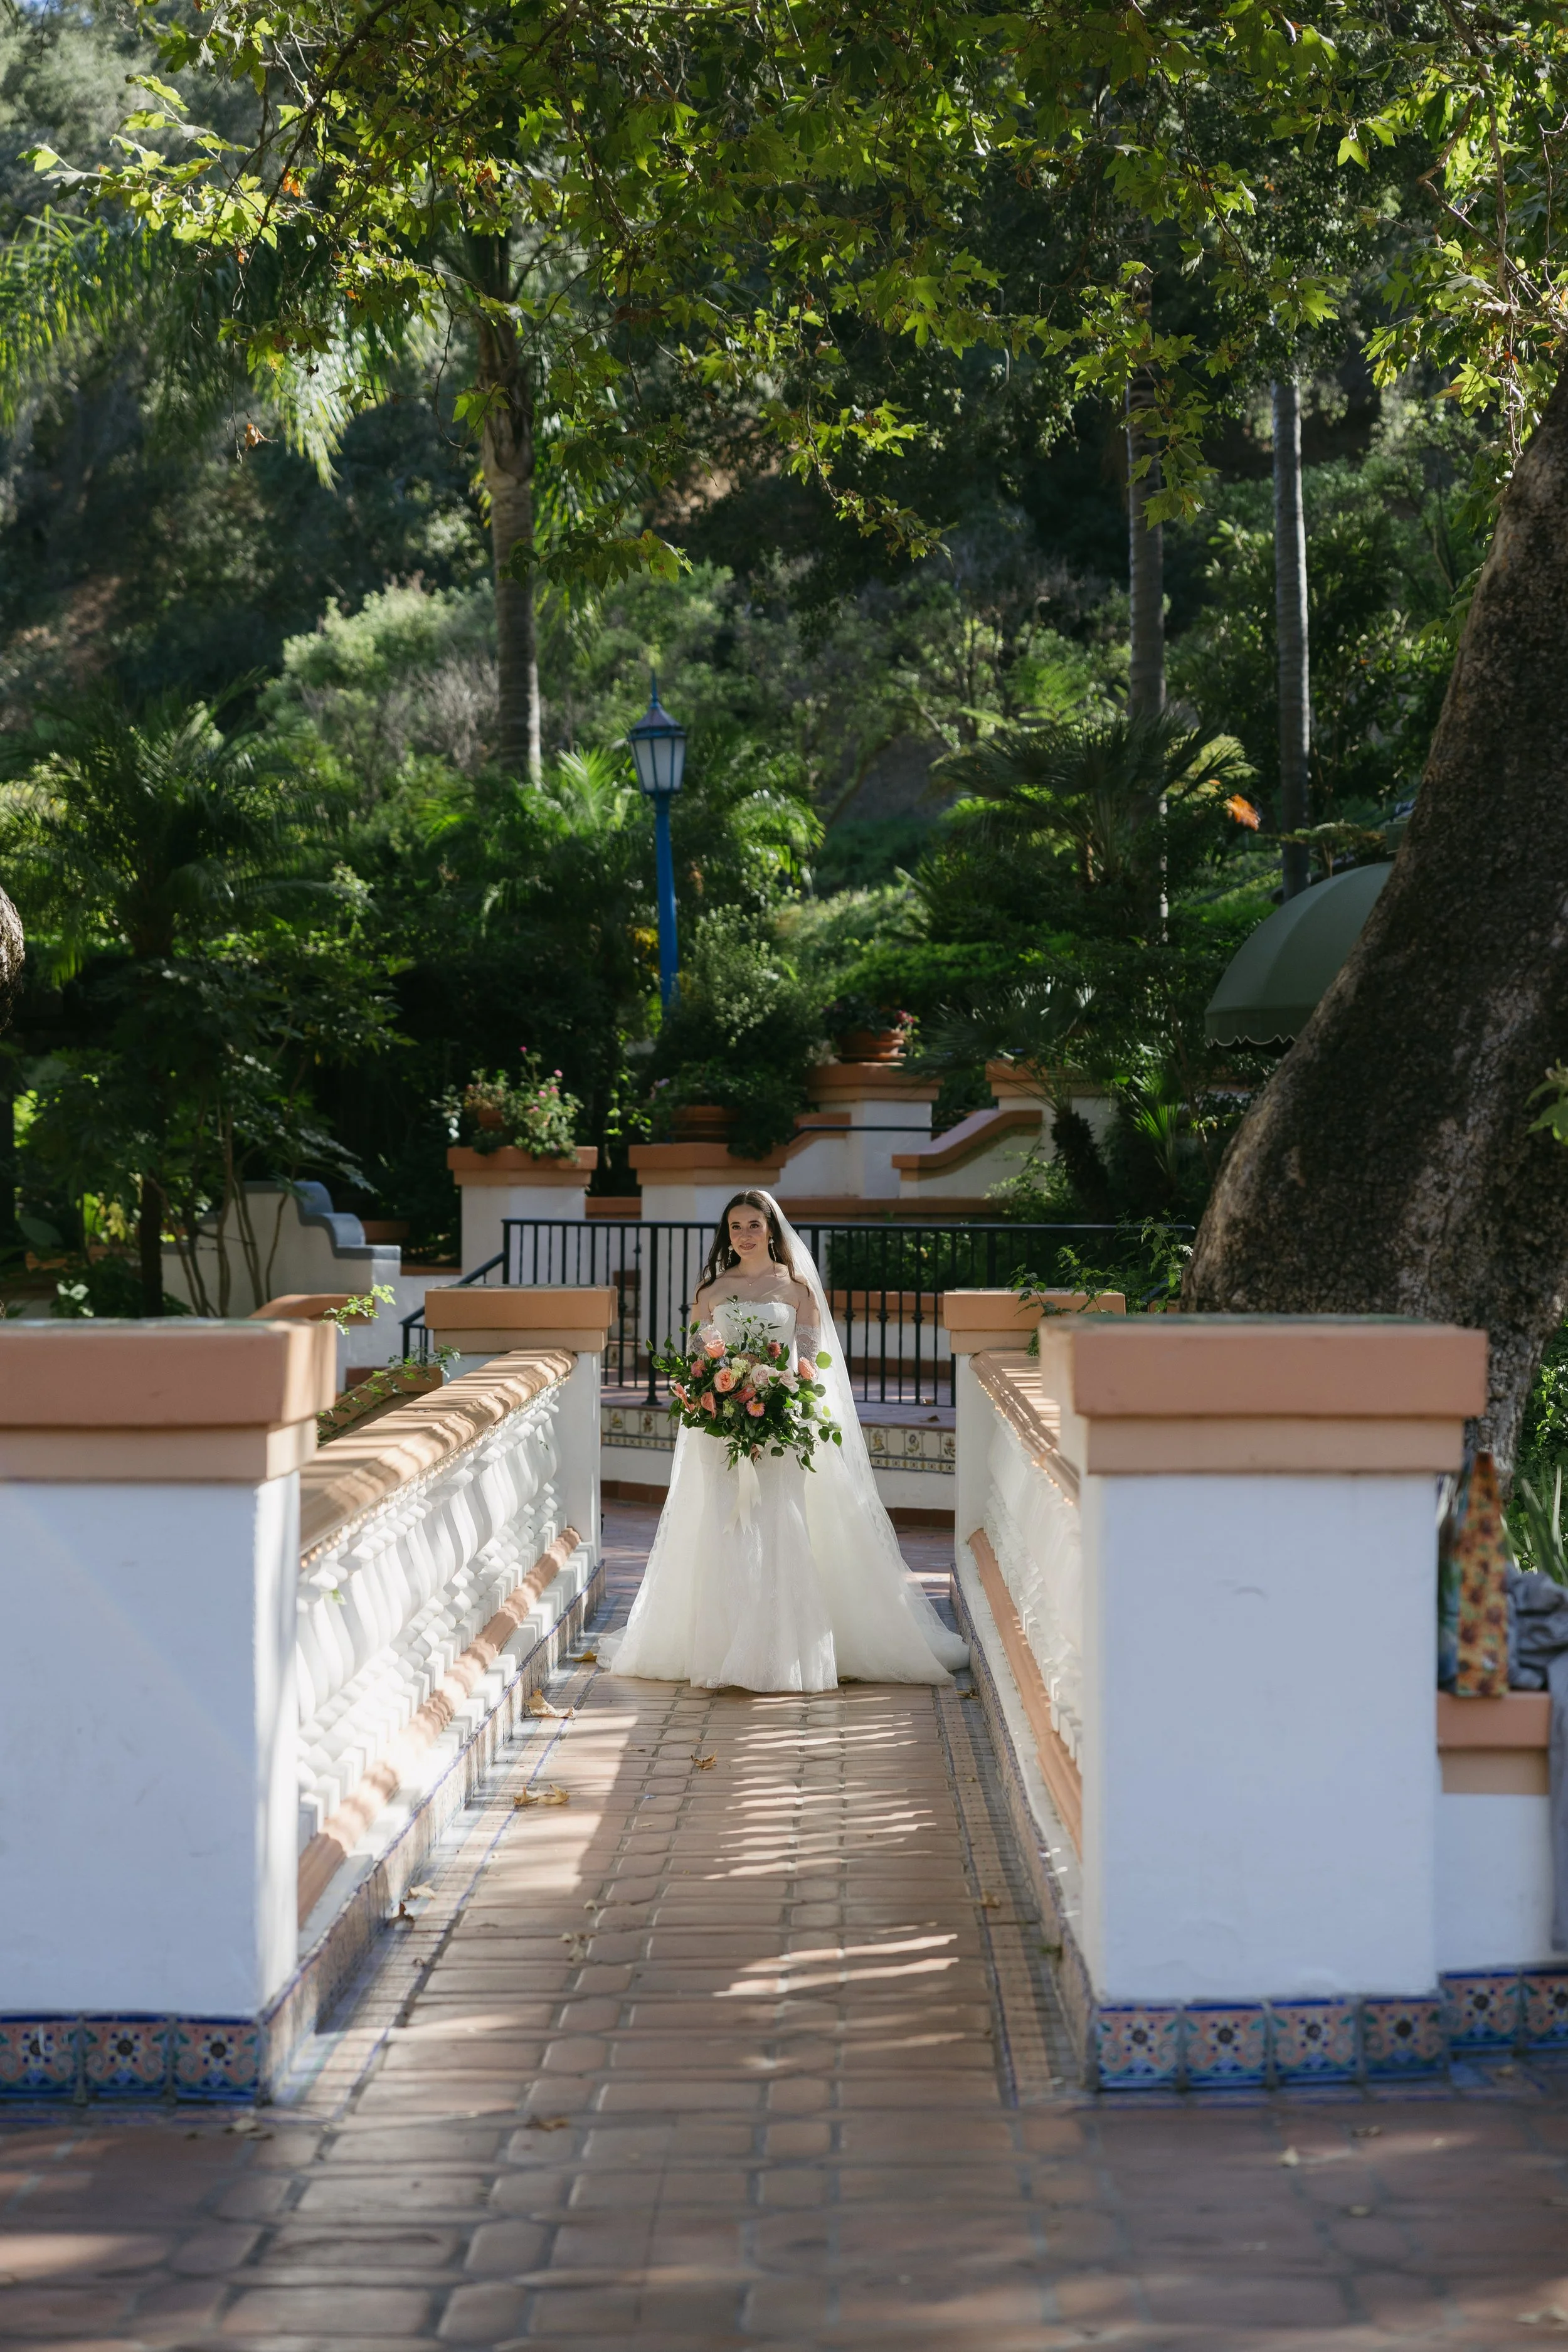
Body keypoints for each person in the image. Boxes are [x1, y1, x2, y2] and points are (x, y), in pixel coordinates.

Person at [600, 1189, 968, 1691]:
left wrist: (782, 1399)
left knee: (780, 1522)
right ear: (726, 1234)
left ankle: (784, 1653)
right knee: (725, 1525)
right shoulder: (711, 1292)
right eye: (736, 1227)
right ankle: (725, 1648)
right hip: (723, 1427)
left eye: (754, 1225)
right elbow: (699, 1360)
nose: (745, 1235)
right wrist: (720, 1399)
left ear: (771, 1230)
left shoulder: (797, 1290)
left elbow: (812, 1364)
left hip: (783, 1426)